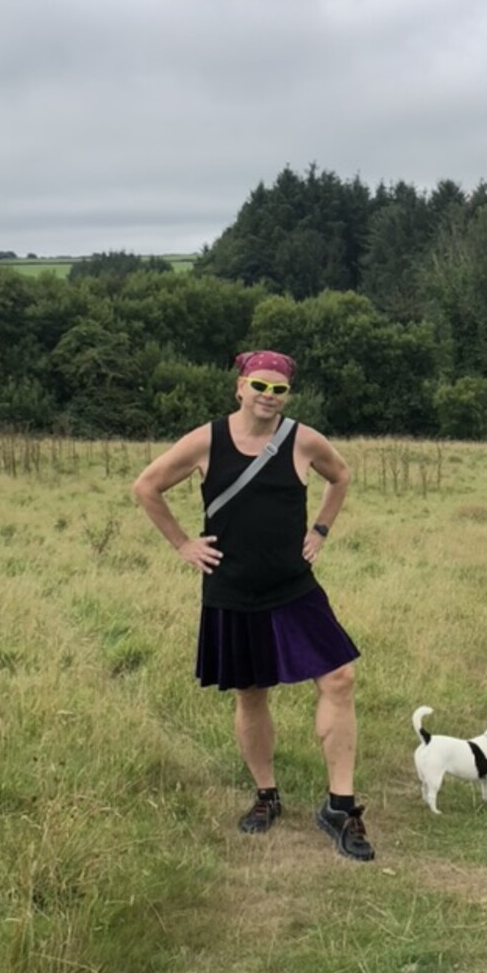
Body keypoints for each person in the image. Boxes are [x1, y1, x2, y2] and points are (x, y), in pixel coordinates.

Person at [132, 349, 374, 860]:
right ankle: (266, 795)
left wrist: (321, 529)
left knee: (339, 679)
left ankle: (340, 806)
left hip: (294, 587)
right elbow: (147, 486)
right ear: (239, 387)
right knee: (251, 693)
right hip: (232, 588)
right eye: (259, 386)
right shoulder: (206, 441)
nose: (268, 397)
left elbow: (342, 476)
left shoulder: (304, 440)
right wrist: (182, 544)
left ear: (288, 394)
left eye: (278, 389)